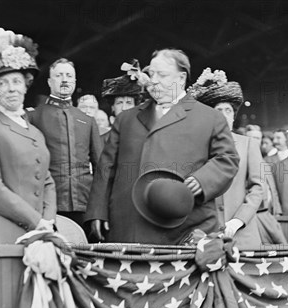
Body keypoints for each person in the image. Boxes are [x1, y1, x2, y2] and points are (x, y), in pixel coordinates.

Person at [85, 48, 239, 244]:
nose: (154, 80)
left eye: (162, 74)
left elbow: (228, 159)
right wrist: (97, 211)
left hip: (185, 226)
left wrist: (203, 180)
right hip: (129, 224)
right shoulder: (126, 119)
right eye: (151, 74)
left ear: (181, 78)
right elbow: (106, 168)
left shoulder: (211, 118)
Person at [0, 28, 56, 244]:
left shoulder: (35, 133)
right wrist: (36, 221)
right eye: (2, 84)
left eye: (16, 81)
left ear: (26, 85)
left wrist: (48, 221)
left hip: (40, 233)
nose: (10, 89)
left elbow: (48, 181)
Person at [188, 68, 267, 249]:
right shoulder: (198, 146)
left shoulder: (248, 144)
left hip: (243, 234)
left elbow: (258, 187)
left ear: (234, 116)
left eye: (228, 110)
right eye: (219, 110)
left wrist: (238, 220)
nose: (224, 115)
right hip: (206, 235)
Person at [29, 58, 103, 227]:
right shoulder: (34, 117)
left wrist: (98, 210)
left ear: (75, 81)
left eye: (69, 76)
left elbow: (100, 168)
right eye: (59, 75)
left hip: (84, 205)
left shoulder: (87, 120)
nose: (64, 80)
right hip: (46, 204)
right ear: (49, 81)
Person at [100, 60, 144, 141]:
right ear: (113, 107)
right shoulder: (101, 141)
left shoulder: (144, 138)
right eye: (119, 103)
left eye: (129, 103)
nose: (124, 108)